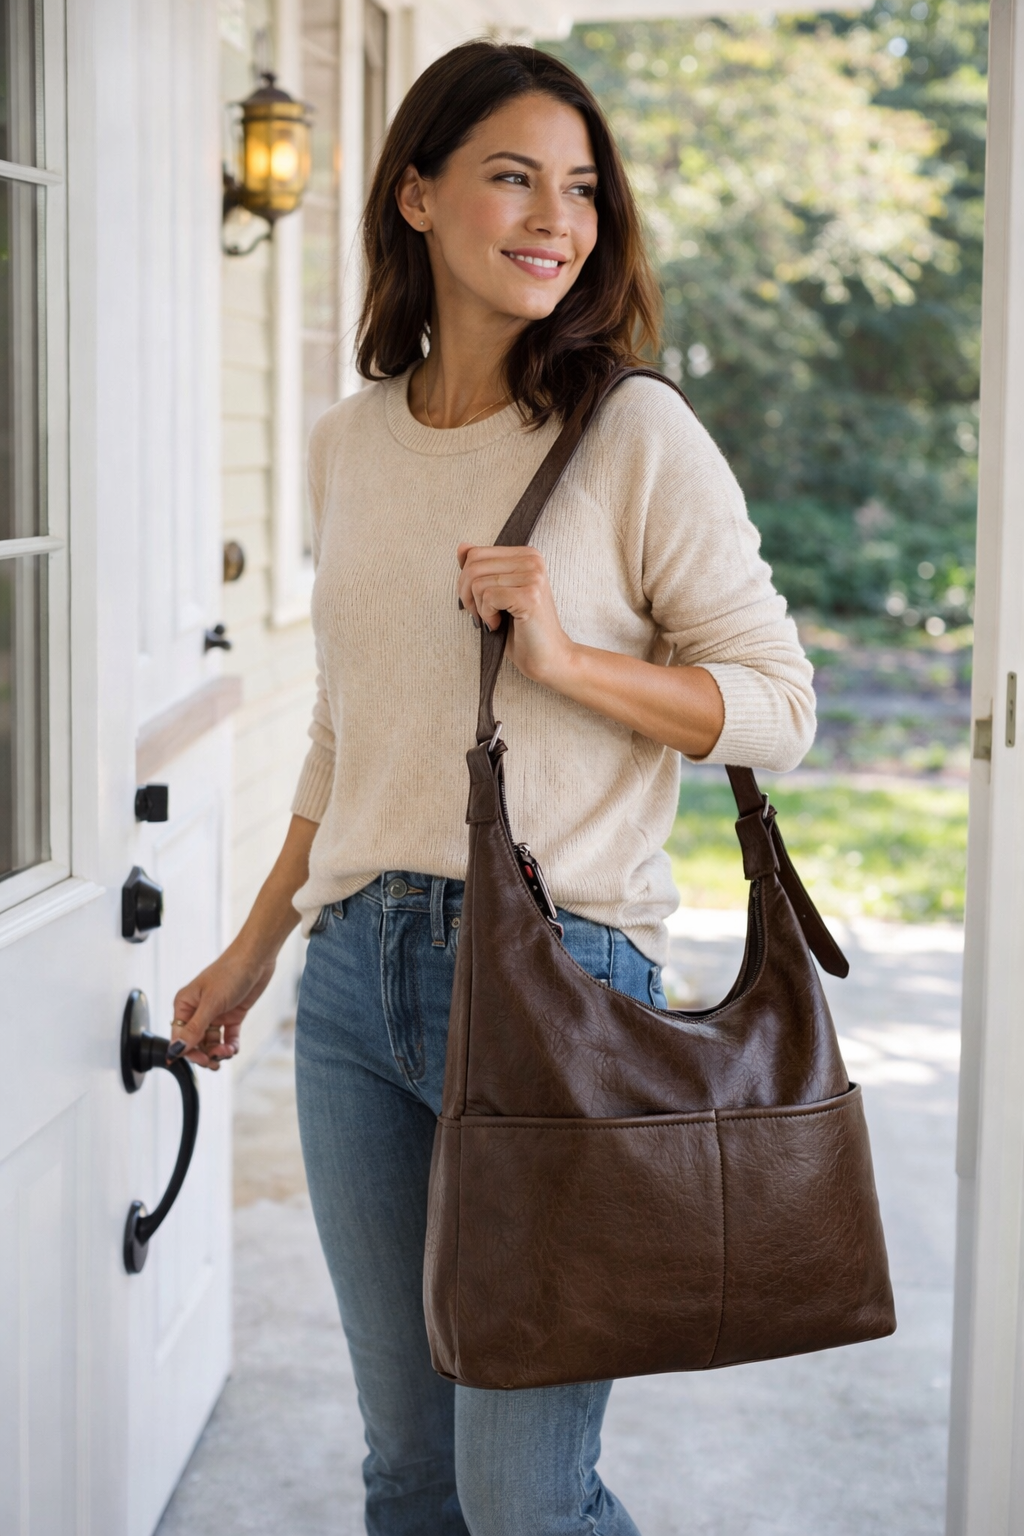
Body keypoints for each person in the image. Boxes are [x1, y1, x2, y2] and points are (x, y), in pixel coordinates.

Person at [170, 40, 815, 1536]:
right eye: (513, 176)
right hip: (351, 995)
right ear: (415, 195)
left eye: (581, 188)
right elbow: (350, 728)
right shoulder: (348, 443)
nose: (555, 217)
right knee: (405, 1476)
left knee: (522, 1499)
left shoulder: (630, 431)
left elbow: (780, 709)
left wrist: (574, 661)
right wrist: (254, 949)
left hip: (555, 989)